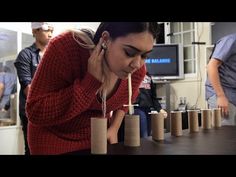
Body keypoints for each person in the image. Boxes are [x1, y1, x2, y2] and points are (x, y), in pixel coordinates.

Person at [25, 22, 159, 155]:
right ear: (105, 39)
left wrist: (114, 127)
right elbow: (35, 110)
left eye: (144, 55)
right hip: (52, 140)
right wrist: (89, 84)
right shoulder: (66, 48)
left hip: (96, 139)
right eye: (129, 52)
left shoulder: (137, 71)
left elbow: (128, 98)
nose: (137, 64)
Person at [14, 22, 54, 155]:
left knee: (51, 148)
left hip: (52, 111)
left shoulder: (54, 55)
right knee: (32, 149)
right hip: (32, 113)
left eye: (51, 30)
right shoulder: (25, 55)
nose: (50, 33)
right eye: (45, 29)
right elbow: (28, 89)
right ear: (35, 32)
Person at [205, 33, 236, 125]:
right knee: (224, 134)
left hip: (233, 93)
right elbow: (211, 66)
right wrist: (220, 96)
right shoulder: (230, 40)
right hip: (222, 93)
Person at [134, 71, 167, 137]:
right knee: (144, 135)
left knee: (148, 134)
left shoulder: (148, 75)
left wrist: (159, 109)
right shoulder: (132, 74)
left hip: (148, 109)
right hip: (137, 108)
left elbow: (153, 96)